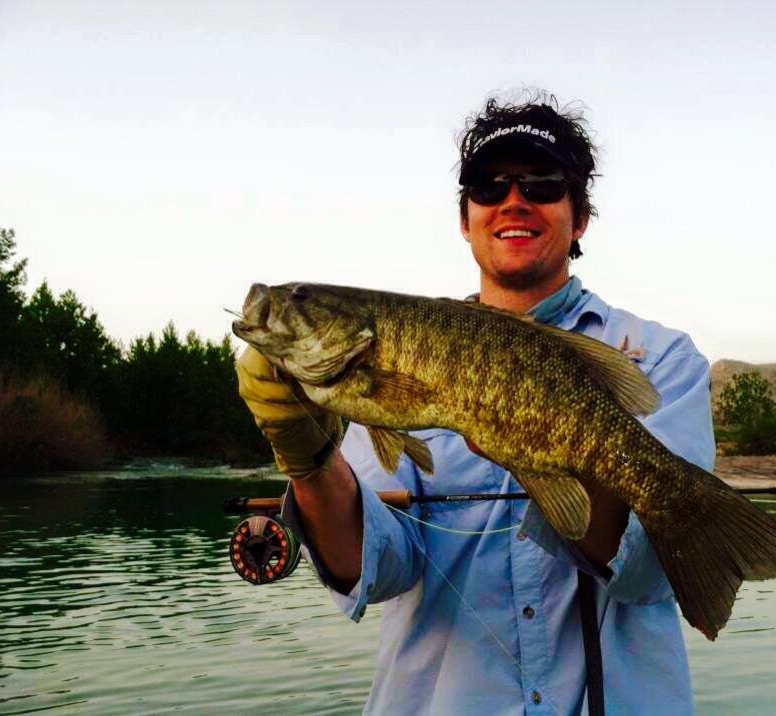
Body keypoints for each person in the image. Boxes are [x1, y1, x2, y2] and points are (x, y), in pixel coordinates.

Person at [237, 92, 715, 715]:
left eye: (543, 184)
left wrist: (550, 448)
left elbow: (650, 574)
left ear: (581, 215)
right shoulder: (375, 371)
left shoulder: (662, 357)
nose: (514, 201)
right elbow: (379, 566)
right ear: (465, 218)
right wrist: (307, 460)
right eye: (488, 188)